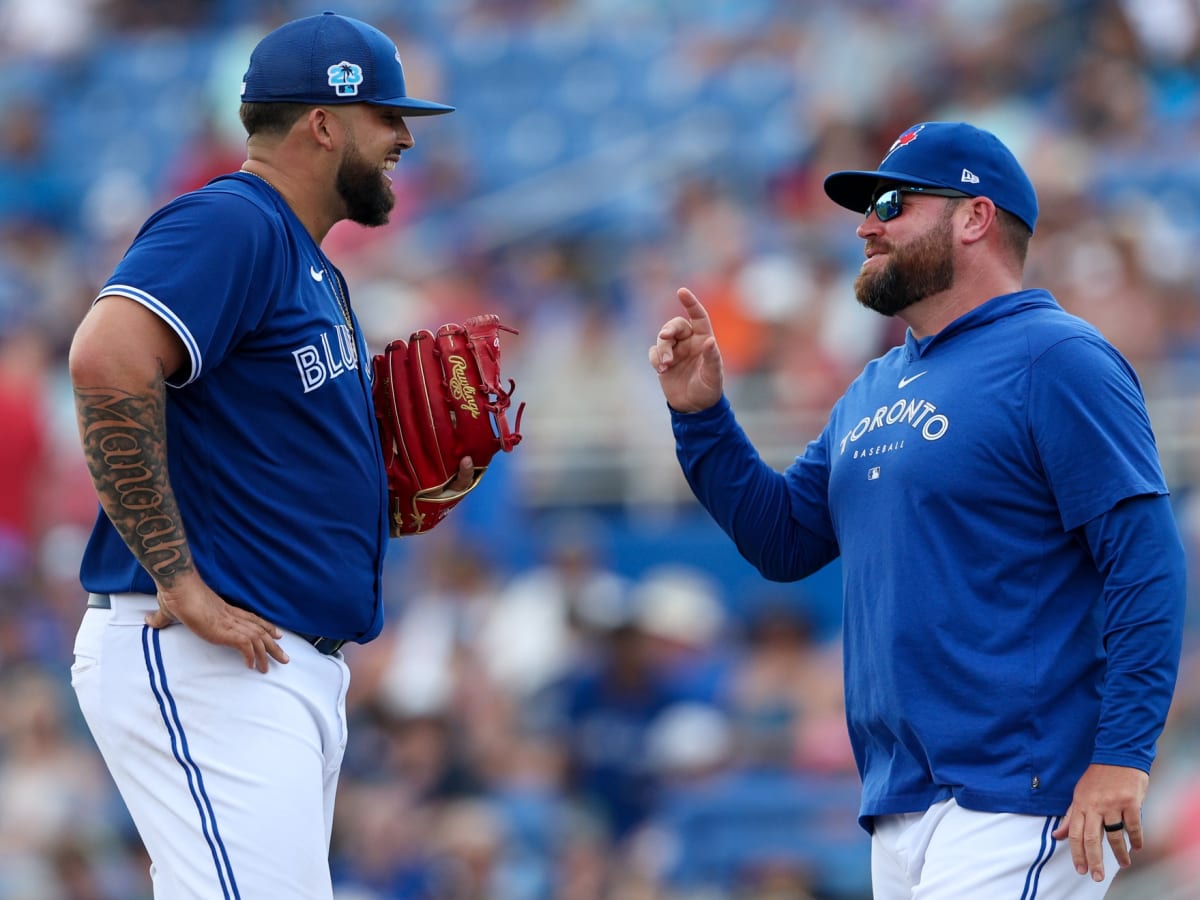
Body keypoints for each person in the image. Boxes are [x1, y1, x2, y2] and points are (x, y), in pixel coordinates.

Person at [648, 121, 1185, 898]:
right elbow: (784, 541)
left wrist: (1123, 756)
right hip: (901, 805)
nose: (867, 225)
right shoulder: (875, 384)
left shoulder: (1058, 357)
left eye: (893, 203)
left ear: (975, 216)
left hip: (1018, 796)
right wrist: (703, 420)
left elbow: (1147, 563)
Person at [66, 12, 464, 898]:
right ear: (323, 123)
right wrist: (175, 576)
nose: (404, 136)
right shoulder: (233, 221)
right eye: (387, 116)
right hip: (206, 652)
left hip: (274, 665)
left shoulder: (309, 263)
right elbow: (105, 357)